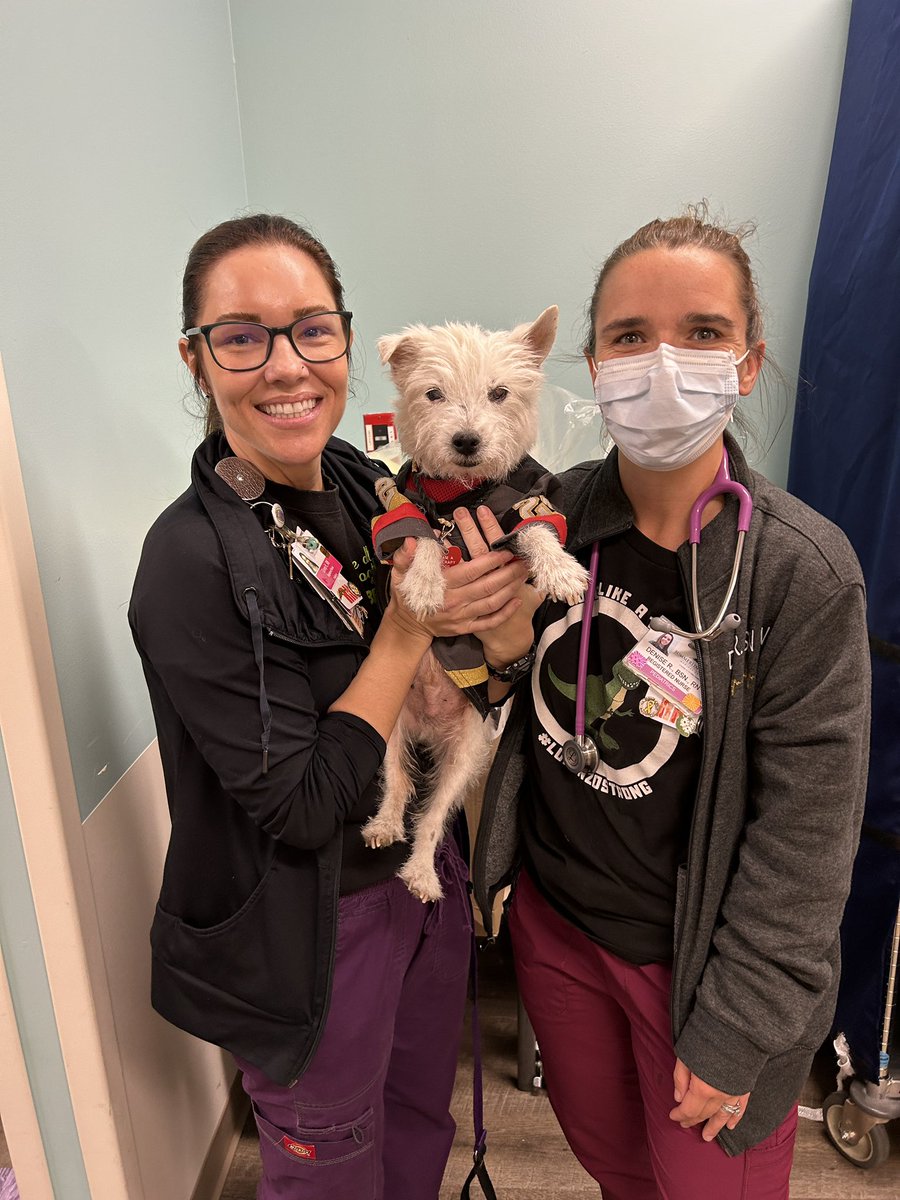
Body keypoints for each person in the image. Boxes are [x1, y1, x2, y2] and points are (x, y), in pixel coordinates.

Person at [128, 214, 532, 1200]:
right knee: (331, 1157)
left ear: (348, 343)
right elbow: (305, 805)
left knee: (415, 1121)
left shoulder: (363, 483)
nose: (284, 366)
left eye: (312, 329)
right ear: (197, 357)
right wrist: (408, 628)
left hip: (421, 881)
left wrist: (503, 635)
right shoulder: (188, 564)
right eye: (241, 335)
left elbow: (472, 667)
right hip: (311, 934)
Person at [471, 208, 871, 1199]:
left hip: (698, 970)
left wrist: (739, 1026)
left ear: (748, 362)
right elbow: (521, 701)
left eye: (700, 333)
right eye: (628, 337)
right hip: (559, 934)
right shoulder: (551, 516)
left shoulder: (800, 572)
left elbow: (807, 839)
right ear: (595, 365)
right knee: (616, 1171)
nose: (661, 364)